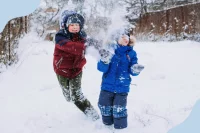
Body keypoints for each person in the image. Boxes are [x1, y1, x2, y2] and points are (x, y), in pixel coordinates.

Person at [53, 10, 99, 121]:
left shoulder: (83, 37)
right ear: (66, 25)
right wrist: (84, 46)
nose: (75, 27)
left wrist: (98, 45)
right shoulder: (60, 37)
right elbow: (70, 46)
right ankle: (69, 95)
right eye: (72, 25)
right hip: (62, 71)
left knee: (76, 96)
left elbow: (91, 43)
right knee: (68, 96)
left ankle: (92, 115)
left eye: (77, 25)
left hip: (76, 70)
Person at [97, 29, 144, 129]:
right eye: (122, 37)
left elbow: (132, 69)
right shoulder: (109, 51)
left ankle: (120, 128)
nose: (125, 39)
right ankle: (107, 126)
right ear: (116, 39)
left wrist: (135, 69)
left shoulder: (131, 53)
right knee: (104, 106)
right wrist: (104, 61)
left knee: (119, 109)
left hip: (122, 86)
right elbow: (101, 68)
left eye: (127, 37)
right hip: (107, 86)